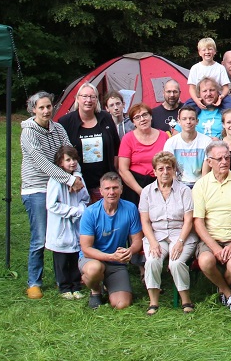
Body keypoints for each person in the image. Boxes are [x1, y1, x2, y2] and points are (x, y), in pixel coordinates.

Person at [20, 90, 78, 299]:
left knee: (62, 233)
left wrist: (76, 175)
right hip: (36, 188)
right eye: (41, 107)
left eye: (48, 106)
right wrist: (69, 179)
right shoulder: (28, 132)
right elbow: (41, 162)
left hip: (60, 187)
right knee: (40, 237)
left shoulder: (59, 128)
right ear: (33, 109)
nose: (46, 111)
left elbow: (70, 153)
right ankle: (34, 282)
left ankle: (64, 279)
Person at [192, 141, 231, 313]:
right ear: (209, 162)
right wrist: (215, 248)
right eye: (219, 159)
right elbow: (198, 222)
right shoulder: (201, 185)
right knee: (205, 261)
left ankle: (220, 290)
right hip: (211, 237)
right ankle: (228, 292)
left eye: (227, 157)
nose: (224, 162)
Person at [139, 151, 196, 314]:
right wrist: (153, 242)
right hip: (156, 235)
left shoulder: (184, 190)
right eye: (161, 169)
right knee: (152, 261)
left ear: (174, 170)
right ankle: (153, 302)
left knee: (176, 262)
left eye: (169, 168)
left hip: (181, 234)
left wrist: (180, 242)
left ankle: (186, 300)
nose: (165, 172)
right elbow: (145, 221)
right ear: (155, 171)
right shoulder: (147, 192)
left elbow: (188, 220)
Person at [79, 172, 144, 310]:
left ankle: (109, 284)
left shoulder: (130, 208)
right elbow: (86, 248)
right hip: (92, 259)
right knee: (94, 269)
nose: (111, 192)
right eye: (107, 188)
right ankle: (95, 290)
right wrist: (110, 256)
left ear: (121, 189)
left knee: (122, 304)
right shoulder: (90, 212)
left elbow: (137, 240)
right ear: (101, 191)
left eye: (115, 188)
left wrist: (129, 251)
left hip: (117, 262)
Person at [58, 82, 120, 201]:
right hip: (78, 182)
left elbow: (117, 147)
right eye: (85, 96)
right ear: (77, 99)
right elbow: (61, 153)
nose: (88, 100)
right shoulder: (66, 122)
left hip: (104, 183)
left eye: (92, 97)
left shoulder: (106, 118)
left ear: (96, 100)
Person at [45, 145, 90, 299]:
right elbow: (52, 205)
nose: (72, 163)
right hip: (61, 226)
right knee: (62, 259)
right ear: (60, 163)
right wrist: (73, 211)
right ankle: (64, 287)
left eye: (74, 159)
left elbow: (85, 198)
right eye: (68, 160)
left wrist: (81, 208)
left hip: (75, 225)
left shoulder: (79, 179)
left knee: (74, 256)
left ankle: (76, 285)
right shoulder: (55, 181)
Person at [163, 105, 211, 188]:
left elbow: (205, 174)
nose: (188, 122)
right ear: (179, 121)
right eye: (184, 119)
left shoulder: (206, 141)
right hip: (178, 185)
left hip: (200, 184)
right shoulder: (171, 143)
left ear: (197, 121)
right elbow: (169, 169)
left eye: (192, 119)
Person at [186, 37, 231, 106]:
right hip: (200, 97)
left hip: (217, 96)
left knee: (229, 103)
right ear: (199, 53)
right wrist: (196, 100)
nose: (207, 52)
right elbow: (192, 88)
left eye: (210, 49)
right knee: (187, 108)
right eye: (204, 50)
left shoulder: (220, 68)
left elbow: (226, 87)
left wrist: (221, 97)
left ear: (215, 51)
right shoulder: (195, 68)